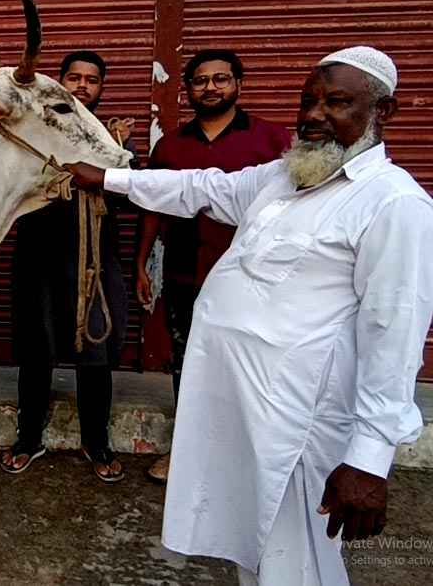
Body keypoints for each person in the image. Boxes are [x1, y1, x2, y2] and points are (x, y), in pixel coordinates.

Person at [66, 47, 433, 585]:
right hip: (246, 408)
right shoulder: (286, 178)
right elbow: (201, 187)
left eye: (337, 103)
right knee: (255, 548)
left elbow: (394, 335)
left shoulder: (393, 204)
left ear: (384, 111)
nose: (313, 115)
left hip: (301, 426)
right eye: (308, 101)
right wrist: (109, 178)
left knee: (298, 560)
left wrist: (370, 459)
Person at [138, 50, 291, 483]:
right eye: (201, 81)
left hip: (253, 278)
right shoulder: (170, 145)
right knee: (187, 363)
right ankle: (187, 454)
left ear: (238, 84)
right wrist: (142, 264)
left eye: (221, 79)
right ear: (187, 90)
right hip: (186, 273)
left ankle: (250, 457)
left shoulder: (274, 141)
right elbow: (153, 208)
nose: (211, 88)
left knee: (251, 365)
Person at [0, 51, 136, 483]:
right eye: (73, 78)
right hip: (38, 258)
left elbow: (129, 193)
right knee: (35, 356)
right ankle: (29, 440)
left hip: (94, 264)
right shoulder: (33, 134)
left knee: (96, 357)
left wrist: (110, 164)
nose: (82, 86)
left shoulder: (110, 140)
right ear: (59, 84)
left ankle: (96, 442)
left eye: (91, 80)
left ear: (101, 88)